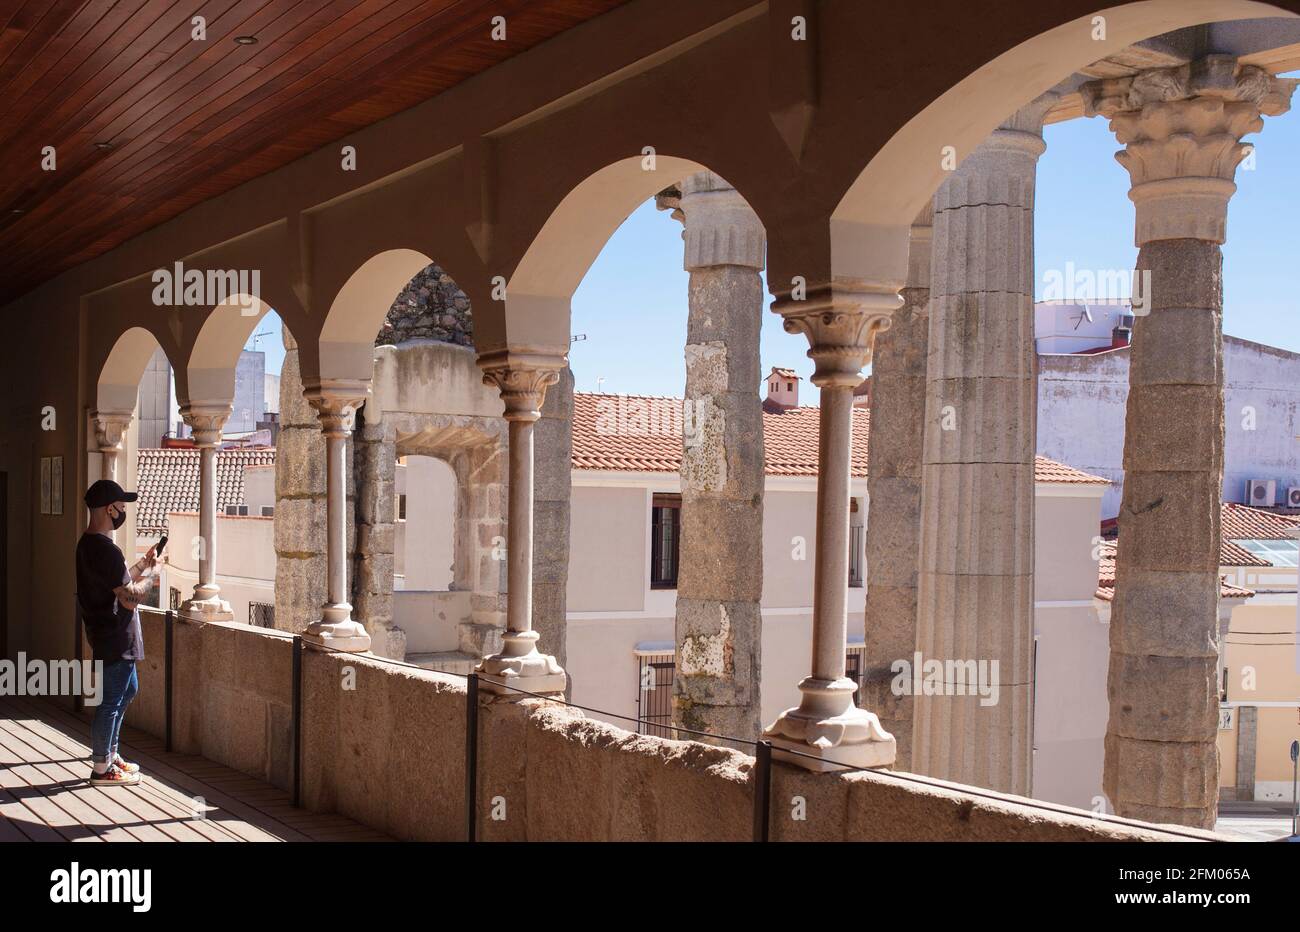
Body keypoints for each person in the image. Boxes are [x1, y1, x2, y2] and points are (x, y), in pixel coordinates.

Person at [76, 479, 156, 787]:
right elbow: (128, 597)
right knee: (110, 701)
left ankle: (110, 754)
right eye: (121, 507)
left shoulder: (88, 544)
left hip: (106, 633)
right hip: (116, 635)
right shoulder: (105, 550)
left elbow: (118, 580)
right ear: (109, 509)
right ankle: (101, 768)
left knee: (128, 690)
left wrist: (142, 564)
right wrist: (154, 575)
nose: (123, 512)